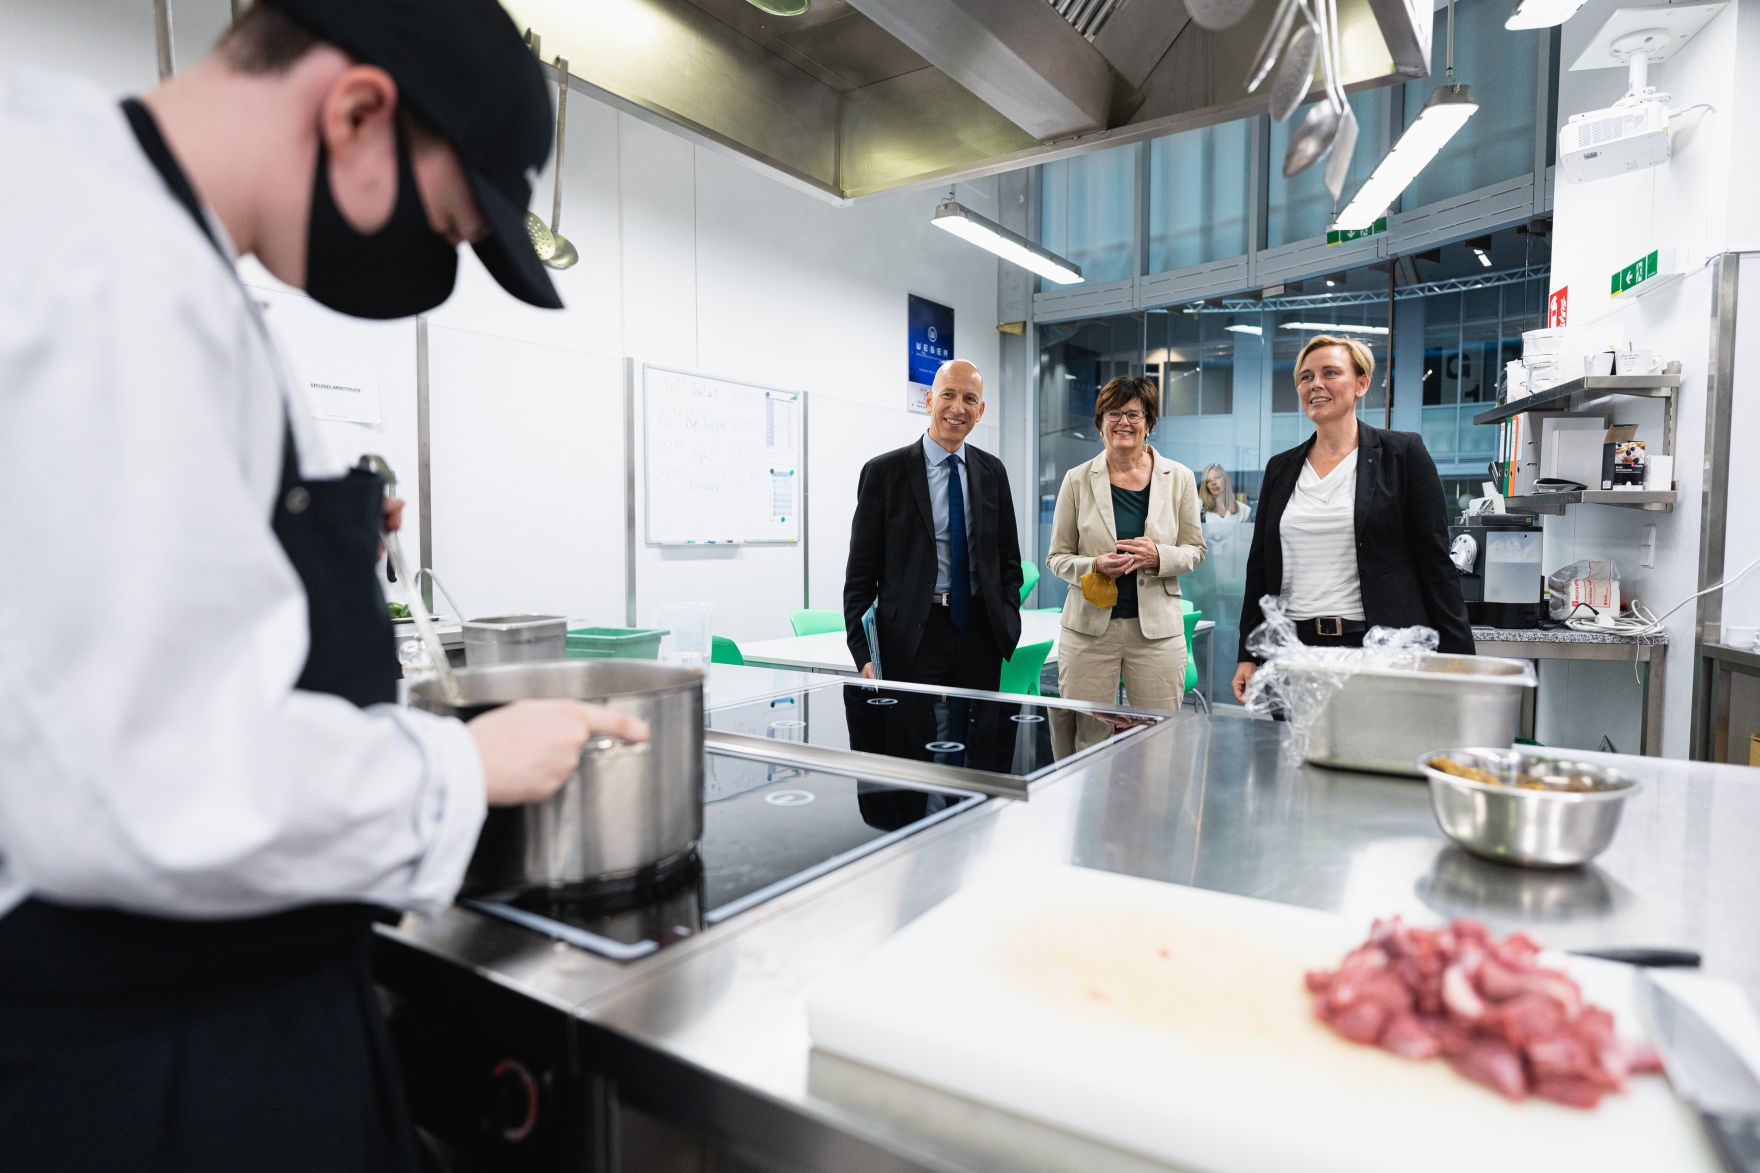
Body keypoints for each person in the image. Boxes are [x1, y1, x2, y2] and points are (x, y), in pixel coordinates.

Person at [0, 4, 646, 1170]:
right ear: (356, 111)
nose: (435, 269)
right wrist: (463, 762)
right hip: (153, 1057)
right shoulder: (103, 270)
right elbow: (144, 784)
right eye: (447, 229)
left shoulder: (160, 253)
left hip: (245, 1000)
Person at [1232, 335, 1474, 703]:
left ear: (1362, 383)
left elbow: (1435, 563)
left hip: (1379, 648)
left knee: (1378, 755)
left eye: (1330, 372)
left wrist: (1460, 661)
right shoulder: (1281, 469)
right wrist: (1247, 655)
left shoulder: (1402, 454)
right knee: (1295, 757)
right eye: (1305, 377)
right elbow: (1260, 569)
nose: (1316, 384)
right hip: (1295, 652)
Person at [843, 358, 1024, 691]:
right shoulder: (884, 473)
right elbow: (860, 574)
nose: (958, 407)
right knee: (907, 737)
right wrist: (863, 651)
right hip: (909, 635)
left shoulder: (992, 472)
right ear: (929, 400)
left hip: (979, 633)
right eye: (948, 395)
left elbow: (1008, 559)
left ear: (980, 410)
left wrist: (1007, 619)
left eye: (970, 399)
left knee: (978, 737)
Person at [1046, 375, 1206, 715]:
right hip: (1088, 632)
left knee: (1157, 739)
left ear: (1148, 423)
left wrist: (1157, 555)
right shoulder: (1076, 479)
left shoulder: (1178, 478)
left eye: (1134, 414)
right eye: (1113, 413)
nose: (1123, 422)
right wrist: (1093, 566)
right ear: (1100, 423)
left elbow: (1195, 549)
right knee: (1087, 736)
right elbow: (1057, 558)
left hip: (1157, 635)